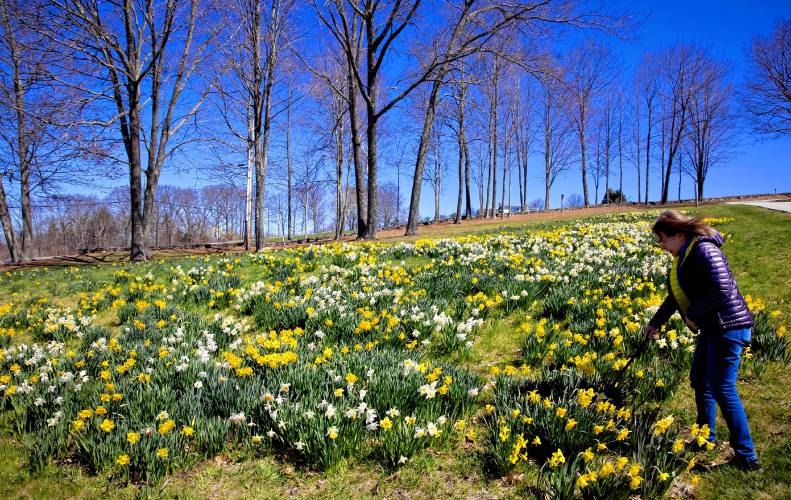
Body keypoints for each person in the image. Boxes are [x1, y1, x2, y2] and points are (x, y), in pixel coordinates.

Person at [645, 210, 761, 472]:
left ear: (679, 234)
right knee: (700, 380)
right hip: (713, 326)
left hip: (729, 327)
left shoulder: (704, 251)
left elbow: (723, 290)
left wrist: (694, 314)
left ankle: (746, 456)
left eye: (663, 240)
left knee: (722, 387)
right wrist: (656, 323)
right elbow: (676, 296)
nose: (661, 246)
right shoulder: (685, 256)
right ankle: (705, 437)